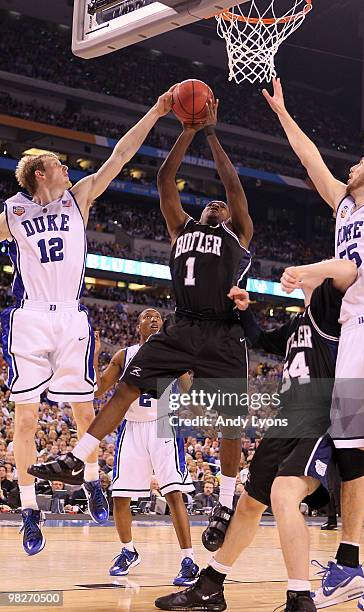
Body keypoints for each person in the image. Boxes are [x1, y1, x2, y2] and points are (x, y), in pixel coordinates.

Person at [29, 97, 254, 553]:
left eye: (221, 206)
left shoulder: (238, 233)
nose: (216, 204)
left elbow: (232, 187)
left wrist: (211, 133)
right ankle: (78, 458)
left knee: (230, 418)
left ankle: (226, 504)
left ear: (229, 217)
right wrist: (187, 129)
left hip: (222, 332)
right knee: (128, 385)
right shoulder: (179, 227)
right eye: (209, 203)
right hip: (182, 326)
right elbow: (165, 179)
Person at [0, 85, 174, 555]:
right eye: (59, 164)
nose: (68, 168)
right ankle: (31, 511)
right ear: (40, 172)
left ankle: (92, 480)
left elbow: (121, 154)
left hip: (73, 317)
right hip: (30, 316)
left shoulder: (80, 197)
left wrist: (156, 111)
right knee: (26, 419)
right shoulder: (11, 212)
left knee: (83, 411)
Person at [263, 77, 364, 611]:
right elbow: (309, 161)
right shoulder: (345, 209)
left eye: (356, 165)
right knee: (351, 455)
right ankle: (348, 562)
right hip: (351, 333)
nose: (345, 170)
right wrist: (281, 111)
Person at [154, 258, 357, 612]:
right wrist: (245, 310)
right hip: (285, 420)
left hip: (318, 417)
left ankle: (300, 596)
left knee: (282, 495)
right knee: (249, 504)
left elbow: (348, 272)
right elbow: (261, 339)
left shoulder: (329, 308)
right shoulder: (297, 323)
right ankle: (210, 586)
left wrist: (306, 272)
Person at [93, 309, 199, 586]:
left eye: (158, 317)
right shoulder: (124, 355)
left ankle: (189, 559)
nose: (153, 319)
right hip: (131, 425)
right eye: (147, 316)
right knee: (120, 496)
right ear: (137, 324)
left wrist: (188, 362)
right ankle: (128, 551)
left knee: (173, 491)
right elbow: (99, 389)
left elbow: (188, 389)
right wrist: (92, 356)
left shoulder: (172, 351)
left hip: (163, 422)